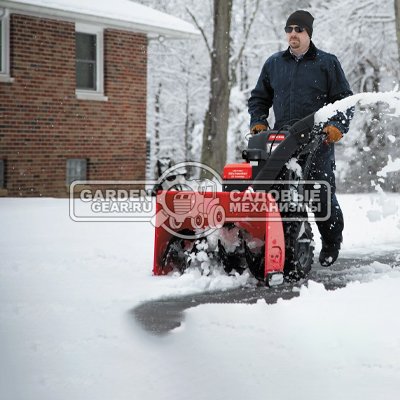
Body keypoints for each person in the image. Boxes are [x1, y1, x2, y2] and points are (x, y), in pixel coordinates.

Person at [248, 10, 353, 267]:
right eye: (290, 29)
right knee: (279, 195)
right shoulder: (274, 63)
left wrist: (336, 126)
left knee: (319, 195)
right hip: (281, 143)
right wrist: (259, 122)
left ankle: (331, 240)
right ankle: (288, 242)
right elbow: (259, 98)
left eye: (299, 29)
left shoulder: (327, 63)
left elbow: (344, 102)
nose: (293, 34)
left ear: (309, 34)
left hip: (318, 141)